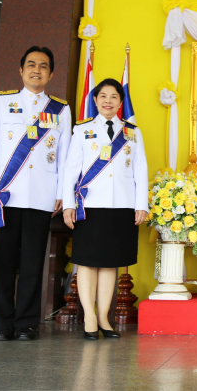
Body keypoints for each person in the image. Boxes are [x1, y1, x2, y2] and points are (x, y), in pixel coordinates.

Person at [0, 46, 71, 341]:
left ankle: (27, 323)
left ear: (51, 73)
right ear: (21, 70)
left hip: (41, 197)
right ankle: (3, 324)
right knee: (1, 261)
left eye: (43, 66)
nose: (37, 70)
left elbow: (66, 156)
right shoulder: (1, 102)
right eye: (31, 64)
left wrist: (63, 193)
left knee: (32, 263)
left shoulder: (61, 109)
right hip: (5, 195)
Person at [62, 78, 148, 340]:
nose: (108, 101)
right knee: (87, 263)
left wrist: (141, 204)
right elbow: (71, 169)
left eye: (113, 97)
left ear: (121, 103)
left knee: (110, 263)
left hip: (121, 205)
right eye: (103, 96)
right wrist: (68, 203)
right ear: (95, 100)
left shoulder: (132, 132)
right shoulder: (82, 130)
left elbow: (140, 169)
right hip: (90, 206)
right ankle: (89, 316)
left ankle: (103, 318)